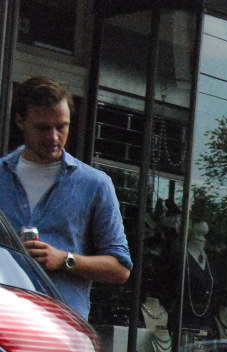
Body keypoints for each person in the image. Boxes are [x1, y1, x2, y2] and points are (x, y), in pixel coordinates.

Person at [0, 76, 131, 318]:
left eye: (62, 126)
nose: (53, 137)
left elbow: (120, 269)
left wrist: (64, 260)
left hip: (61, 332)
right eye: (42, 127)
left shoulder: (94, 184)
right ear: (20, 121)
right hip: (6, 328)